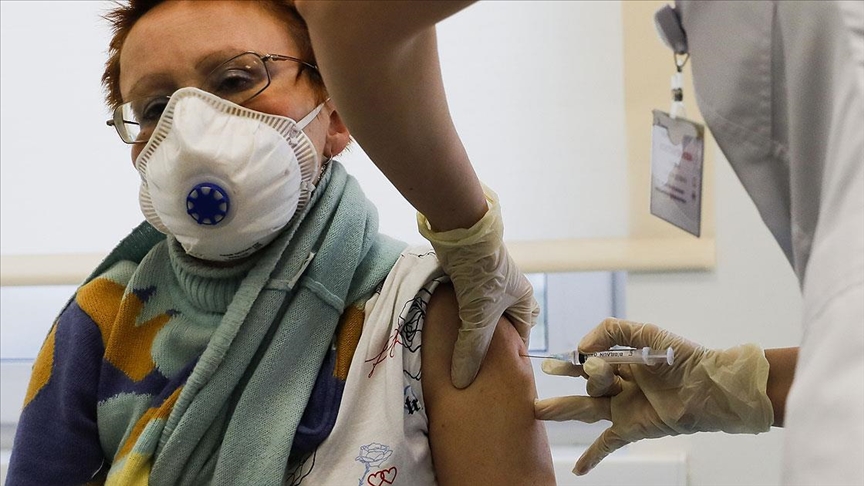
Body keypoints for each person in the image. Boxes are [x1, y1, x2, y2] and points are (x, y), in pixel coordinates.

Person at [298, 1, 863, 485]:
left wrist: (471, 234)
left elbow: (349, 19)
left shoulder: (427, 308)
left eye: (253, 74)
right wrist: (728, 384)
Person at [5, 1, 555, 485]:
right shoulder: (102, 318)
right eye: (155, 110)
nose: (191, 131)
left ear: (337, 115)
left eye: (235, 80)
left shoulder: (437, 311)